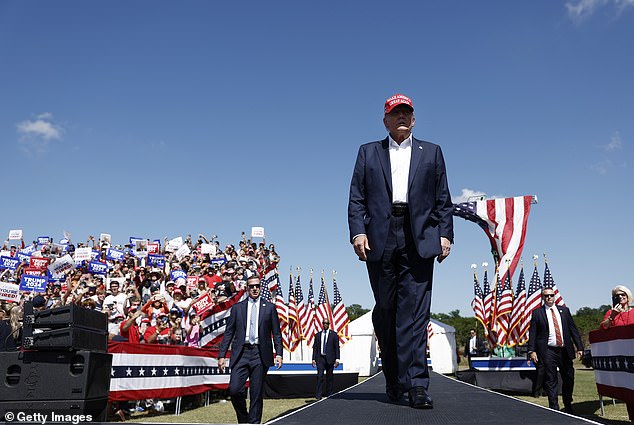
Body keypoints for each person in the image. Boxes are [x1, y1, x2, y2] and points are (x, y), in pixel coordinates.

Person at [348, 93, 454, 409]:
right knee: (387, 311)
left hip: (419, 236)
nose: (402, 118)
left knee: (415, 314)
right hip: (380, 238)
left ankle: (418, 385)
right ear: (386, 120)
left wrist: (445, 234)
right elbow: (356, 199)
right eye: (396, 114)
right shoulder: (368, 152)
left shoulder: (432, 153)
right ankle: (394, 380)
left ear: (414, 118)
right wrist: (358, 232)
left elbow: (443, 200)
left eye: (407, 113)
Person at [218, 275, 283, 424]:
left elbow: (277, 333)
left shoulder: (270, 307)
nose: (255, 288)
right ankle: (243, 419)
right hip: (241, 353)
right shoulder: (237, 308)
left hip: (260, 354)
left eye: (257, 286)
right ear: (247, 288)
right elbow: (229, 333)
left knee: (256, 393)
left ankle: (254, 423)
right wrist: (221, 355)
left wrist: (279, 353)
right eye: (251, 286)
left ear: (261, 287)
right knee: (234, 389)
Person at [527, 288, 583, 413]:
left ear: (555, 296)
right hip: (547, 351)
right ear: (542, 297)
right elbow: (533, 333)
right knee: (551, 379)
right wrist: (532, 350)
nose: (549, 298)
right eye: (546, 296)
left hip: (564, 350)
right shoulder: (537, 313)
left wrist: (579, 347)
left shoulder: (564, 311)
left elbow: (573, 329)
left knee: (569, 377)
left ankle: (568, 404)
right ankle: (554, 408)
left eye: (551, 295)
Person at [598, 285, 634, 421]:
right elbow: (603, 328)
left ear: (628, 295)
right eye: (617, 295)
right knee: (630, 390)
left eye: (622, 294)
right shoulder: (610, 313)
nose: (620, 297)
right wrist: (613, 316)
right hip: (624, 358)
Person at [312, 318, 340, 399]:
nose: (325, 324)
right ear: (322, 324)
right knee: (320, 376)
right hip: (320, 359)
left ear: (329, 324)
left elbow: (336, 348)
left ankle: (329, 394)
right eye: (324, 323)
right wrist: (313, 359)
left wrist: (337, 359)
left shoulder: (334, 335)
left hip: (330, 359)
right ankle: (318, 396)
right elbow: (315, 348)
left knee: (329, 377)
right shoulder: (318, 335)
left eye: (327, 323)